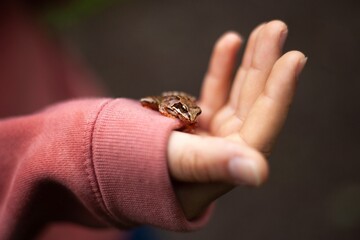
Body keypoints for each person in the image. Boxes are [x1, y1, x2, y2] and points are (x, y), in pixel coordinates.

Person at [0, 1, 307, 240]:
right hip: (87, 199)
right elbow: (149, 105)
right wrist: (105, 153)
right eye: (187, 115)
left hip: (127, 213)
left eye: (193, 116)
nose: (191, 119)